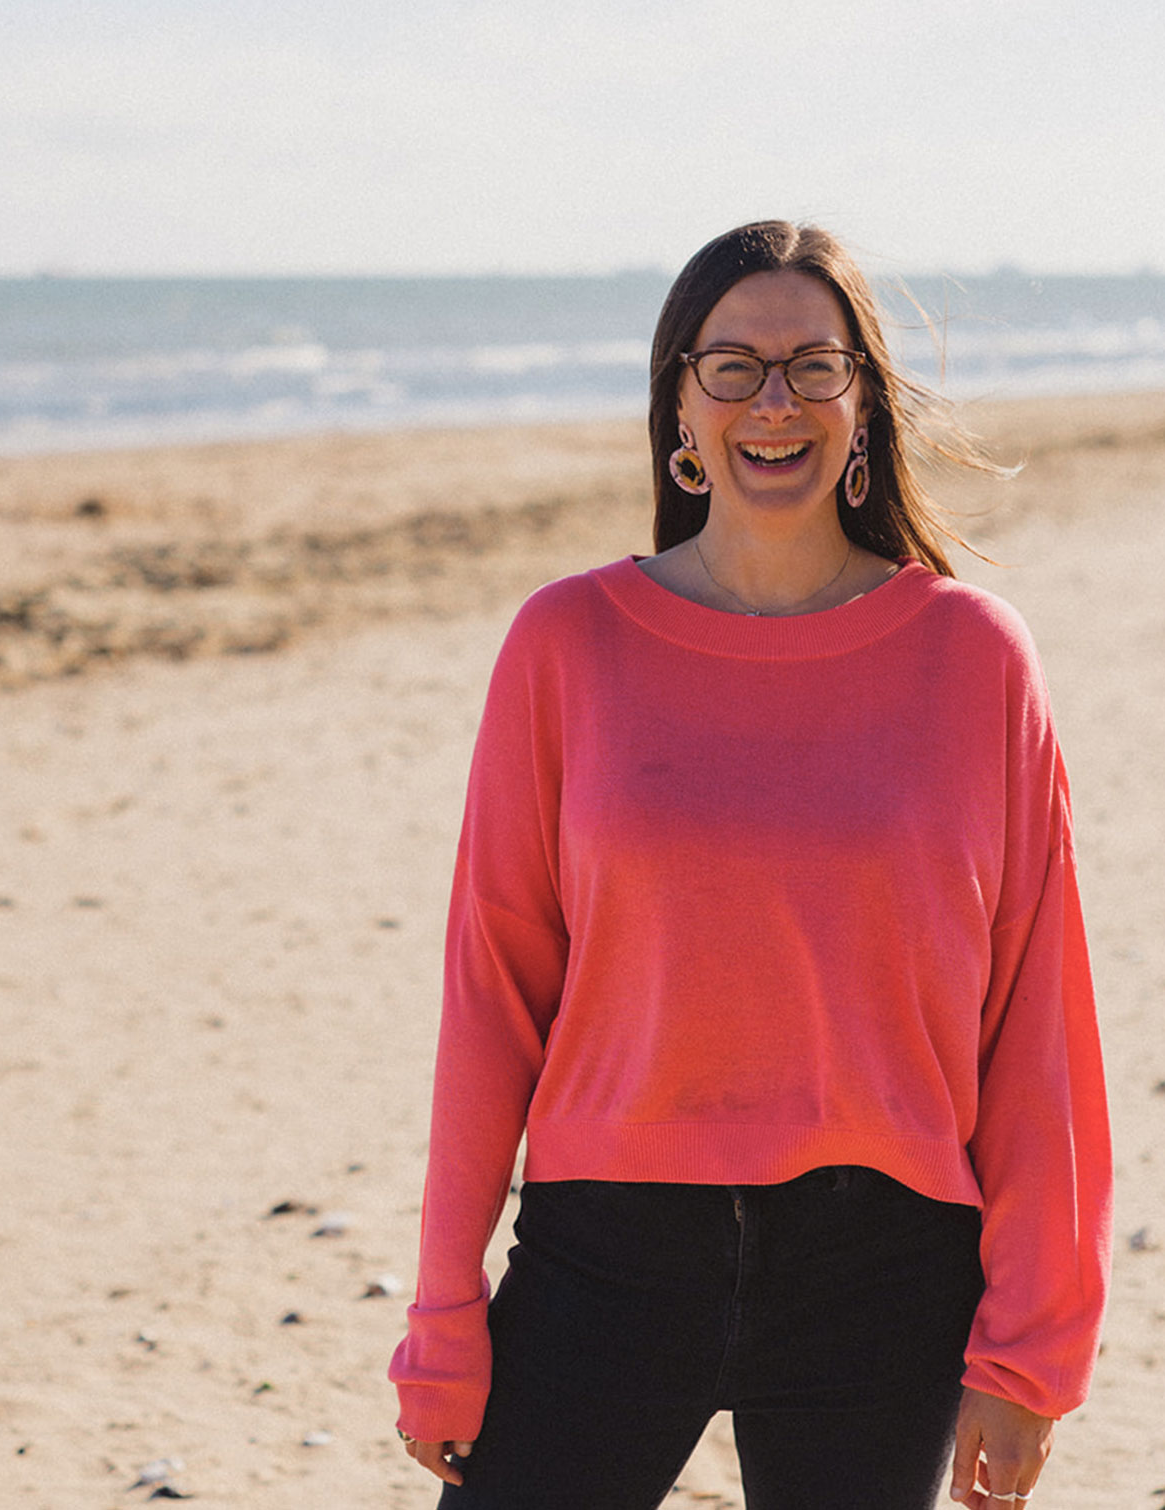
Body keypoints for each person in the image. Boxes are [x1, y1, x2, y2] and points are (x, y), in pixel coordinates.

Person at [386, 221, 1112, 1509]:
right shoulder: (566, 646)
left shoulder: (976, 661)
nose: (772, 402)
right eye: (732, 366)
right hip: (604, 1252)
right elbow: (492, 994)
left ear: (863, 407)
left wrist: (1029, 1349)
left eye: (812, 366)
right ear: (678, 403)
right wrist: (445, 1309)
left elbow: (1037, 1020)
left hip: (887, 1270)